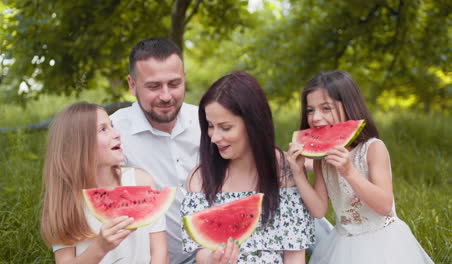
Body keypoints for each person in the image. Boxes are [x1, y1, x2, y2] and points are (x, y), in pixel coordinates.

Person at [287, 70, 434, 264]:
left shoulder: (373, 149)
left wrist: (349, 172)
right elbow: (319, 210)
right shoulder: (321, 159)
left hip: (384, 242)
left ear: (348, 107)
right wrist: (298, 173)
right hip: (342, 242)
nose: (315, 118)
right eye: (310, 110)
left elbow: (384, 206)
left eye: (326, 108)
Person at [182, 71, 315, 263]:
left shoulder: (284, 171)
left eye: (225, 127)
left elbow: (294, 253)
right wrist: (212, 259)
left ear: (253, 123)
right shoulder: (199, 178)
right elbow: (200, 251)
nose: (214, 137)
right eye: (210, 126)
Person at [40, 102, 169, 263]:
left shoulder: (140, 181)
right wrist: (100, 248)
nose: (117, 134)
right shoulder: (64, 200)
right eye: (103, 129)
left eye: (112, 126)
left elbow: (159, 252)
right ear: (80, 145)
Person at [110, 38, 200, 263]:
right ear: (132, 85)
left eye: (174, 84)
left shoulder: (207, 121)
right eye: (153, 86)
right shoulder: (113, 133)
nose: (166, 96)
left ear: (184, 79)